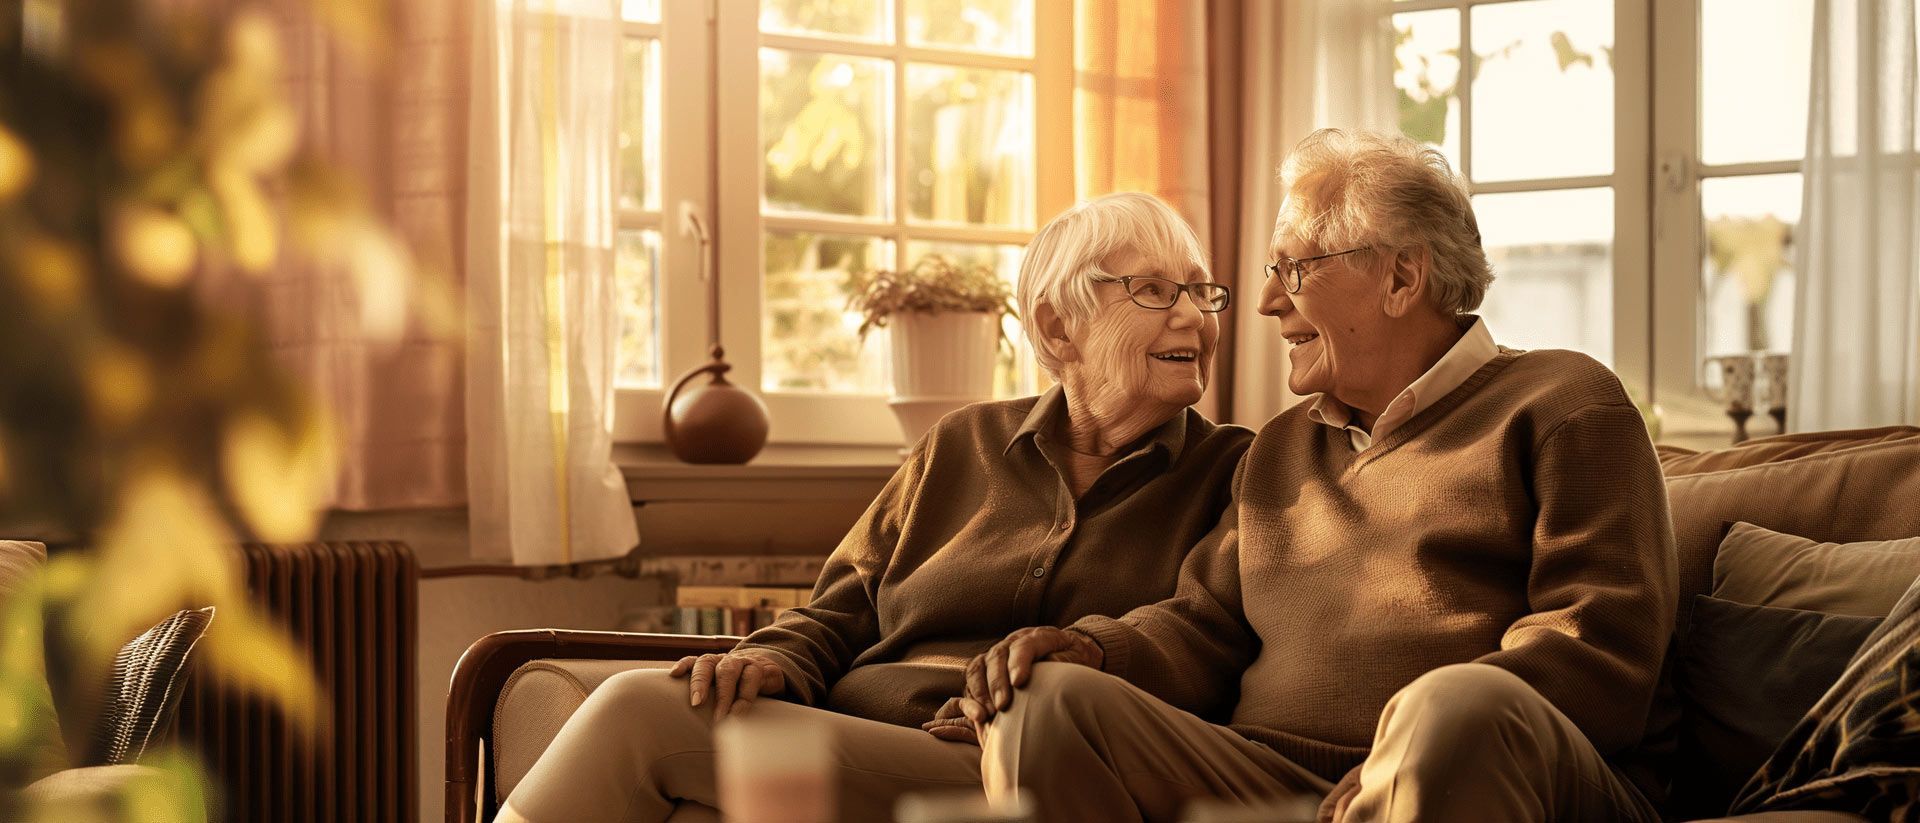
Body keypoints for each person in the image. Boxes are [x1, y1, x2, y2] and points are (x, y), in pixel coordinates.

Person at [957, 129, 1678, 823]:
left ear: (1401, 275)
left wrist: (1397, 759)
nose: (1268, 304)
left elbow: (1598, 644)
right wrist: (1091, 646)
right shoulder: (1280, 450)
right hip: (1278, 781)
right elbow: (1204, 626)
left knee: (1457, 707)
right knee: (1044, 700)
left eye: (1295, 270)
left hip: (1490, 767)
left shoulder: (1563, 402)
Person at [496, 192, 1254, 823]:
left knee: (637, 714)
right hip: (853, 729)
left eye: (1201, 291)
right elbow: (842, 606)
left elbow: (1202, 635)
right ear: (1059, 325)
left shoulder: (1234, 469)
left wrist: (1082, 651)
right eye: (1155, 291)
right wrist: (772, 655)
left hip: (1007, 765)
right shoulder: (962, 443)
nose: (1195, 316)